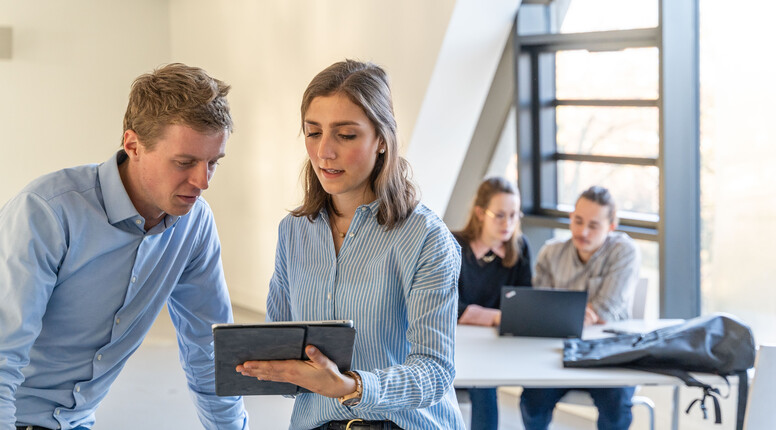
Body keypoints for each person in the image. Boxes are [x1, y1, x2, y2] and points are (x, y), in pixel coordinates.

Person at [0, 63, 248, 430]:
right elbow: (3, 353)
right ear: (133, 145)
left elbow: (208, 351)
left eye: (213, 162)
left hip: (76, 421)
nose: (202, 181)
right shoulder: (47, 212)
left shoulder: (195, 224)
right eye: (185, 162)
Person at [235, 60, 466, 430]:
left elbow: (435, 371)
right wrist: (266, 367)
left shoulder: (426, 238)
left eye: (345, 135)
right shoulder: (293, 232)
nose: (324, 151)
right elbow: (282, 348)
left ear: (381, 141)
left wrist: (351, 386)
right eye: (313, 132)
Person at [519, 186, 641, 430]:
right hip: (557, 353)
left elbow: (606, 308)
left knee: (616, 409)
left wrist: (562, 313)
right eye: (577, 221)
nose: (582, 231)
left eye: (594, 225)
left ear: (611, 226)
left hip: (609, 355)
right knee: (531, 401)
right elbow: (539, 309)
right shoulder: (551, 253)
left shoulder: (624, 252)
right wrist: (580, 313)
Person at [454, 177, 532, 430]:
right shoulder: (452, 244)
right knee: (483, 382)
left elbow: (523, 303)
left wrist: (493, 317)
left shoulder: (519, 248)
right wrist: (497, 316)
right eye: (499, 215)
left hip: (496, 346)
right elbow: (447, 306)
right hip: (455, 344)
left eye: (514, 215)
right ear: (480, 213)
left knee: (486, 381)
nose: (508, 224)